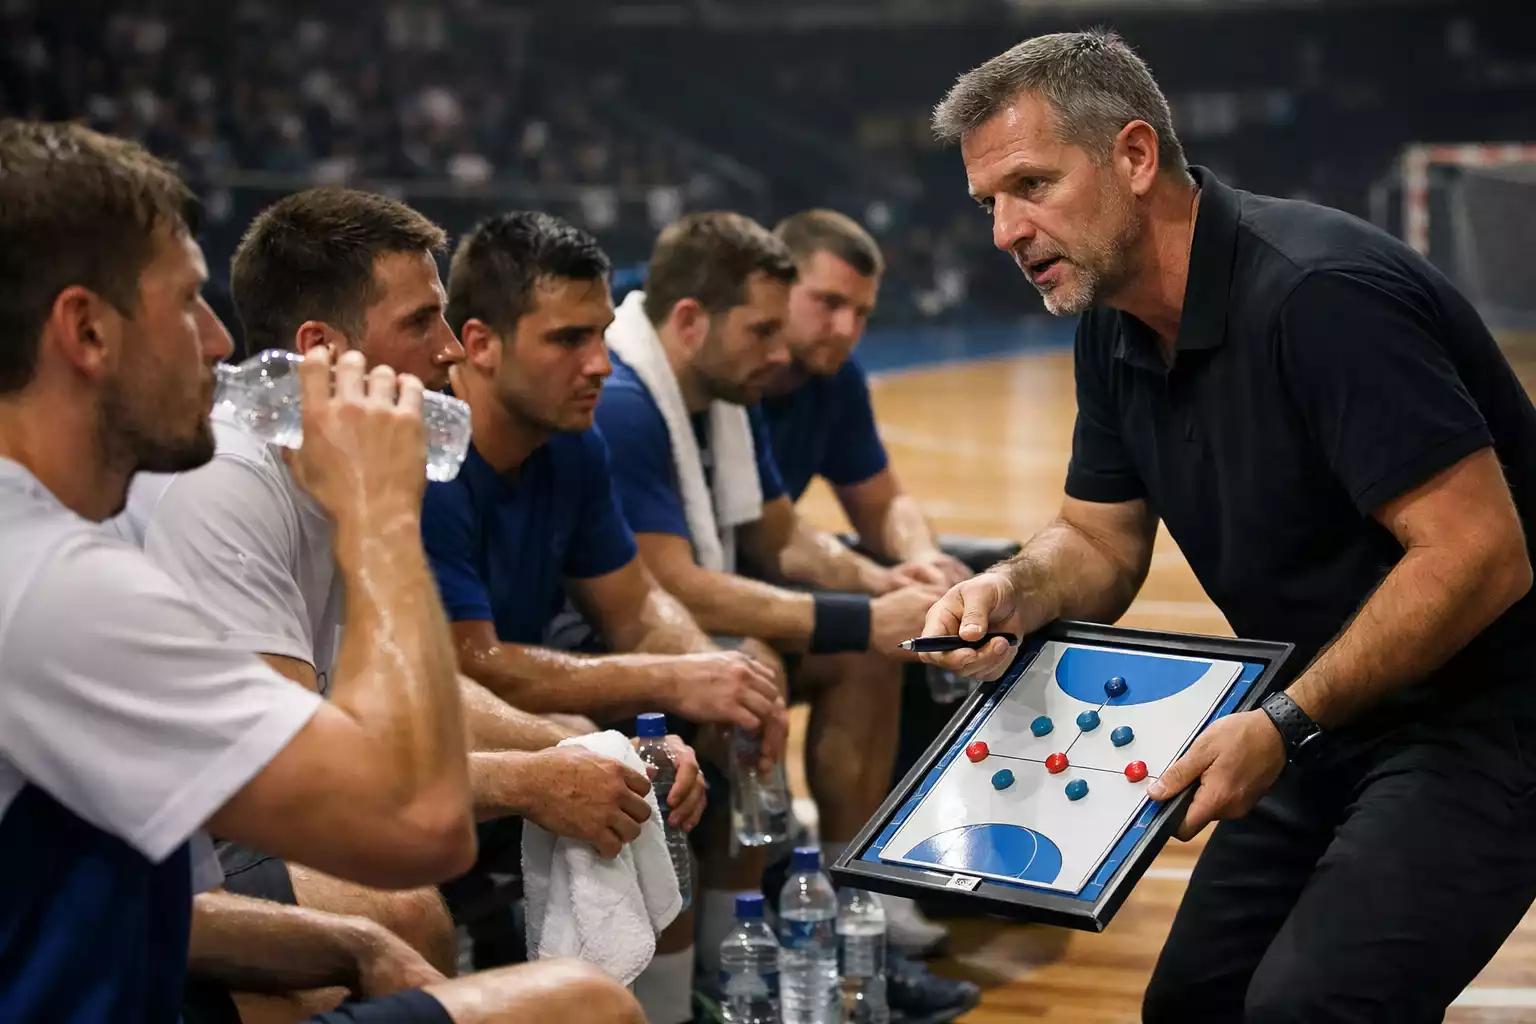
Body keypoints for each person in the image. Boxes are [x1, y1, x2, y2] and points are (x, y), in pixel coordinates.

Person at [923, 29, 1536, 1024]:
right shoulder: (1112, 323)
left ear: (1133, 156)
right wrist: (1009, 587)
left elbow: (1481, 554)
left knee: (1313, 1007)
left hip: (1485, 717)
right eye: (989, 202)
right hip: (1321, 709)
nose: (1005, 229)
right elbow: (1098, 542)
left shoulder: (1320, 296)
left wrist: (1287, 720)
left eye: (1030, 184)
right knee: (1190, 1007)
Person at [0, 119, 642, 1023]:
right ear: (86, 330)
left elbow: (150, 904)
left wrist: (348, 943)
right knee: (584, 1006)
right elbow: (418, 822)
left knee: (403, 940)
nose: (220, 341)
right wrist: (378, 516)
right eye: (185, 303)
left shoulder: (50, 545)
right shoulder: (53, 585)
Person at [592, 210, 974, 994]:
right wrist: (862, 615)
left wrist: (886, 580)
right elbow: (671, 584)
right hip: (607, 637)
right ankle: (733, 948)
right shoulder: (630, 400)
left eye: (862, 313)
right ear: (696, 323)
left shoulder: (729, 387)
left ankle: (849, 900)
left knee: (851, 657)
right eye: (769, 327)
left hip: (684, 616)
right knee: (755, 671)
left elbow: (782, 536)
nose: (780, 353)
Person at [422, 209, 788, 1023]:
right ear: (479, 343)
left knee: (702, 723)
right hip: (439, 732)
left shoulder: (572, 440)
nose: (599, 362)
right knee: (640, 762)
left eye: (602, 334)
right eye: (567, 341)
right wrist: (667, 684)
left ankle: (686, 1000)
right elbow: (468, 662)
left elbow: (637, 606)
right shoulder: (431, 458)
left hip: (516, 708)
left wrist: (714, 679)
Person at [763, 209, 969, 591]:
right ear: (775, 287)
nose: (847, 330)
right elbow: (769, 535)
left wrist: (923, 556)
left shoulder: (837, 378)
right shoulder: (726, 379)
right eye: (829, 302)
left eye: (861, 313)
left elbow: (883, 505)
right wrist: (879, 584)